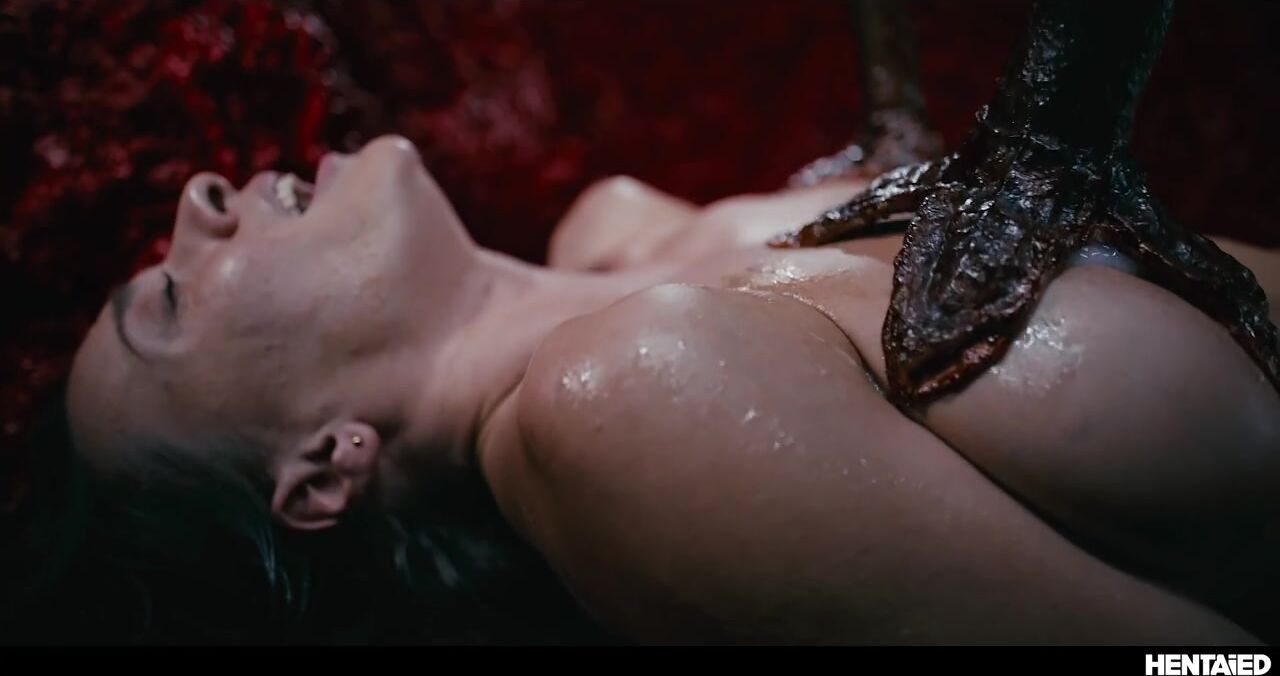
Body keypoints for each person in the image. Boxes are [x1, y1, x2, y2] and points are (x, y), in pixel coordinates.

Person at [27, 134, 1280, 644]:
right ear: (321, 467)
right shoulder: (619, 405)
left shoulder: (620, 231)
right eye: (170, 301)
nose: (196, 201)